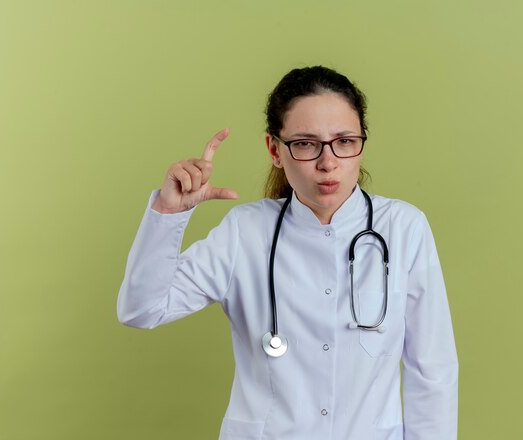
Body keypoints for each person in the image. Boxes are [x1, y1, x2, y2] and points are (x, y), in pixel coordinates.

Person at [117, 66, 458, 440]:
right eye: (306, 143)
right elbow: (141, 310)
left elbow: (432, 371)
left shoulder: (404, 228)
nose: (328, 163)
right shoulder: (244, 232)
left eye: (344, 141)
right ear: (275, 150)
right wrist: (168, 215)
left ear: (362, 143)